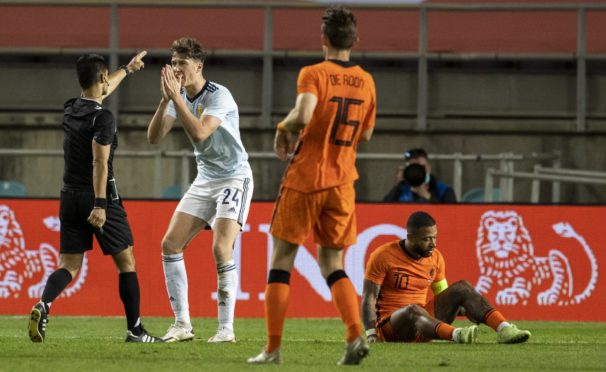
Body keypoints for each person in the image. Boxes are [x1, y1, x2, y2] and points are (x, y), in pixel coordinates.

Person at [247, 6, 376, 366]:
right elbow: (365, 133)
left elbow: (303, 115)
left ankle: (272, 350)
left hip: (306, 178)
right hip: (343, 182)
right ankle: (354, 334)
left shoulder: (314, 73)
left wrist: (282, 128)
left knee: (282, 260)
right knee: (333, 263)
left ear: (324, 39)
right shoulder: (366, 80)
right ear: (355, 40)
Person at [27, 52, 161, 343]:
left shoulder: (71, 108)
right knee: (126, 262)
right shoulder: (104, 118)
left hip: (68, 197)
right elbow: (99, 163)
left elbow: (101, 89)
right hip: (98, 198)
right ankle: (135, 330)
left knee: (69, 265)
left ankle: (44, 304)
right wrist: (100, 204)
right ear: (101, 77)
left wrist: (127, 69)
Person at [147, 37, 253, 344]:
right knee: (170, 244)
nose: (177, 69)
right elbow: (154, 137)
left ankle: (226, 329)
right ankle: (182, 324)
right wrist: (166, 100)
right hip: (206, 178)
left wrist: (177, 99)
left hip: (235, 177)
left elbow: (201, 132)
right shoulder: (177, 97)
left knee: (221, 248)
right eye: (174, 63)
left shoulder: (219, 95)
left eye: (183, 63)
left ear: (199, 65)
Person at [361, 211, 531, 344]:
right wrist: (371, 334)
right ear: (411, 238)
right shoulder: (383, 255)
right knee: (412, 309)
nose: (433, 243)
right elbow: (369, 297)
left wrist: (467, 308)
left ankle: (504, 329)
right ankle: (457, 335)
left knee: (462, 288)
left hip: (425, 325)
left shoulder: (435, 258)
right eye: (426, 239)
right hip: (392, 328)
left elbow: (442, 294)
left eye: (434, 237)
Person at [384, 148, 457, 203]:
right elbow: (383, 210)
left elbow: (450, 215)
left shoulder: (443, 190)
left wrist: (427, 196)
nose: (417, 172)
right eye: (414, 168)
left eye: (422, 167)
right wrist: (397, 185)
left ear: (429, 167)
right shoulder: (401, 189)